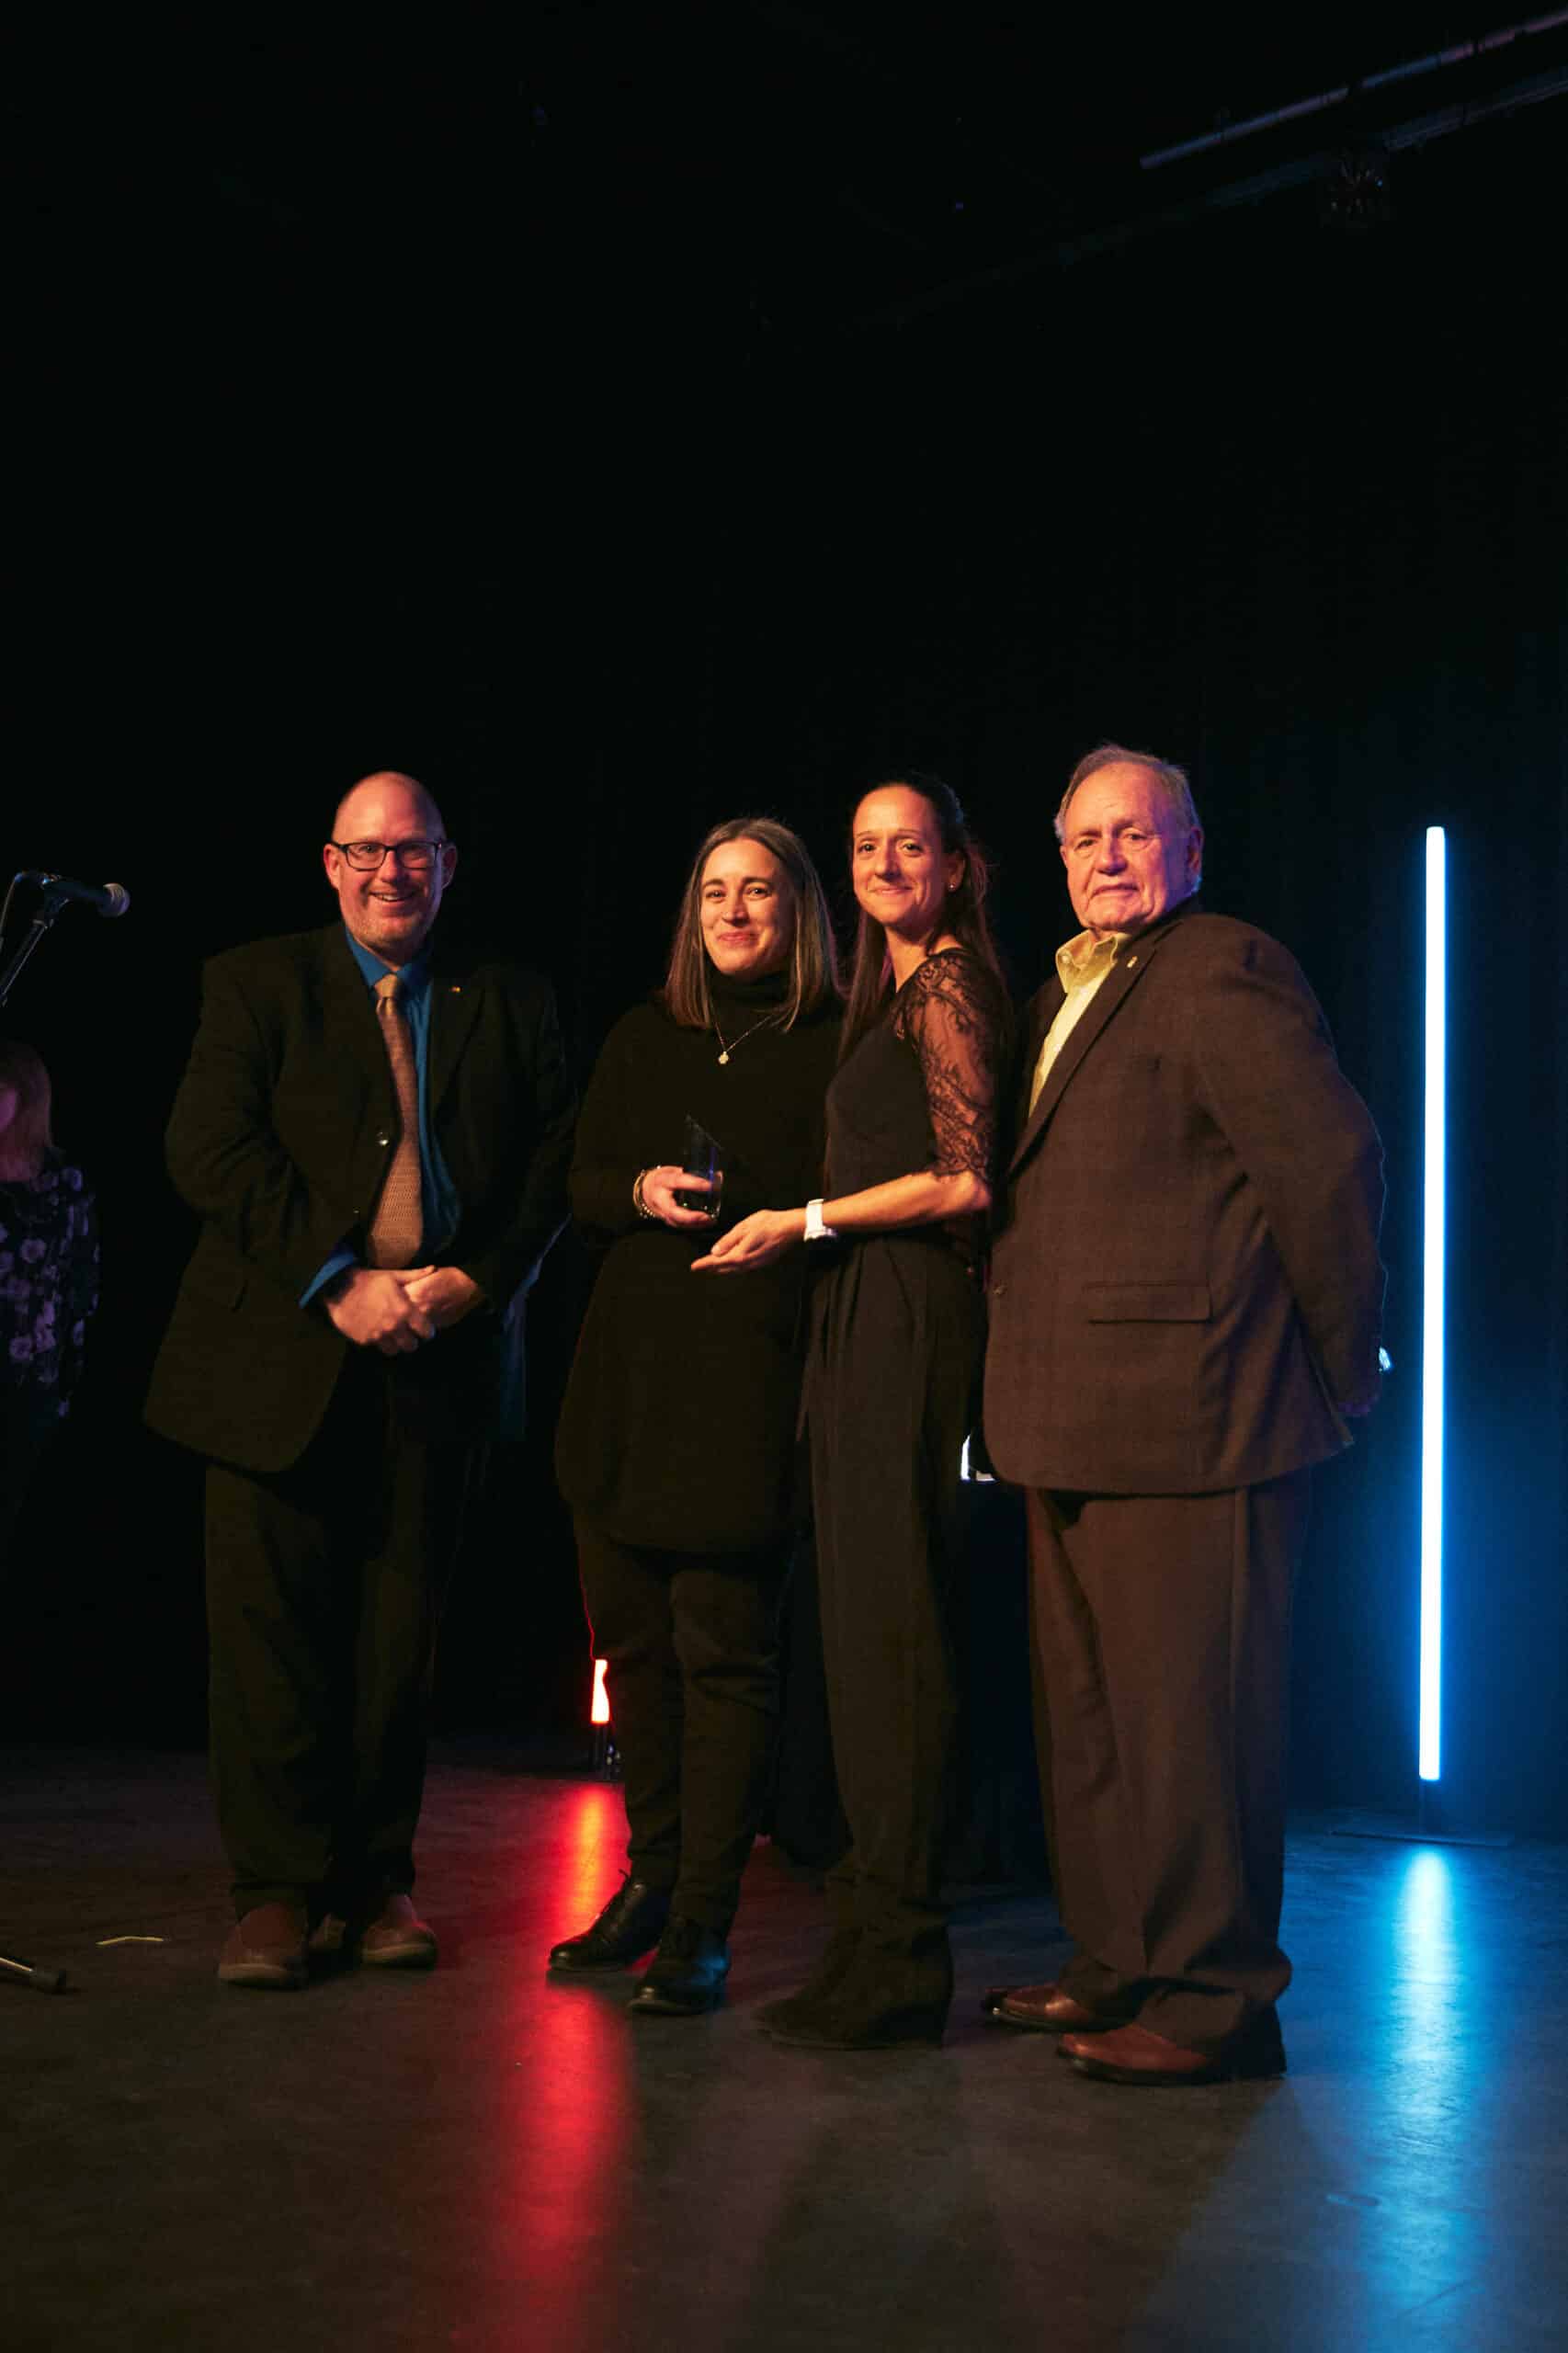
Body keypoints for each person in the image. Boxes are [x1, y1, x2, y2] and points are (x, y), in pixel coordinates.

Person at [983, 744, 1385, 2086]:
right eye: (1084, 837)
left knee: (1190, 1733)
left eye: (1134, 833)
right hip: (1063, 1413)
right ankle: (1116, 1962)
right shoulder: (1061, 988)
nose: (1107, 857)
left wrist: (1338, 1365)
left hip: (1198, 1420)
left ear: (1190, 851)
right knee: (1095, 1731)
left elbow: (1327, 1169)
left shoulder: (1223, 966)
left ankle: (1213, 2003)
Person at [146, 771, 574, 1989]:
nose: (394, 872)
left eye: (415, 850)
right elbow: (207, 1150)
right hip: (276, 1359)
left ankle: (378, 1883)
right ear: (331, 865)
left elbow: (556, 1160)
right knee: (270, 1643)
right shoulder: (255, 982)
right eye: (369, 851)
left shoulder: (511, 996)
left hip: (439, 1358)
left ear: (449, 863)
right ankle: (276, 1895)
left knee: (398, 1647)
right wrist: (336, 1280)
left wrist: (477, 1281)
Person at [696, 774, 1008, 2048]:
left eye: (908, 844)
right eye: (865, 846)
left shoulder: (948, 985)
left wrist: (806, 1219)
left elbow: (966, 1181)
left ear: (954, 863)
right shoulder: (893, 992)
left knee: (896, 1639)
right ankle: (877, 1943)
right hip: (864, 1312)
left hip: (907, 1314)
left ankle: (900, 1958)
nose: (883, 864)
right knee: (868, 1640)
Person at [550, 817, 842, 2015]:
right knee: (634, 1653)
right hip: (626, 1388)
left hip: (745, 1387)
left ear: (796, 908)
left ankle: (703, 1920)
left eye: (757, 890)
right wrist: (633, 1186)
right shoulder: (643, 1033)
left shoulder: (834, 1041)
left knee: (724, 1660)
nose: (731, 910)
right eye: (714, 890)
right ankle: (652, 1877)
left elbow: (851, 1209)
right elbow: (577, 1183)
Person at [0, 1040, 99, 1573]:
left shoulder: (62, 1182)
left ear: (26, 1095)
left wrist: (63, 1387)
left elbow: (80, 1285)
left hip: (27, 1385)